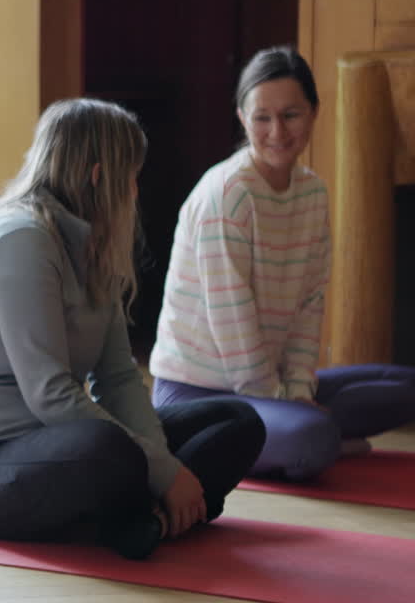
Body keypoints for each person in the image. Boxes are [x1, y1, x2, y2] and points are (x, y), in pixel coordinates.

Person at [0, 99, 266, 560]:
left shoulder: (92, 243)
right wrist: (164, 473)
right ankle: (149, 513)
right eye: (131, 176)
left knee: (237, 421)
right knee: (109, 448)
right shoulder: (19, 241)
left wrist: (163, 466)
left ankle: (148, 521)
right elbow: (51, 394)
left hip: (55, 442)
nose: (135, 192)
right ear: (100, 176)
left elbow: (118, 376)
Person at [150, 46, 415, 480]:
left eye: (291, 115)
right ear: (241, 117)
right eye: (262, 117)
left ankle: (301, 434)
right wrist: (285, 401)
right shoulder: (227, 194)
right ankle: (297, 440)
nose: (277, 131)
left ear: (313, 112)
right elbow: (232, 321)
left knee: (404, 388)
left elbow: (310, 303)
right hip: (198, 394)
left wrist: (296, 388)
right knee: (311, 437)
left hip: (265, 386)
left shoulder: (312, 193)